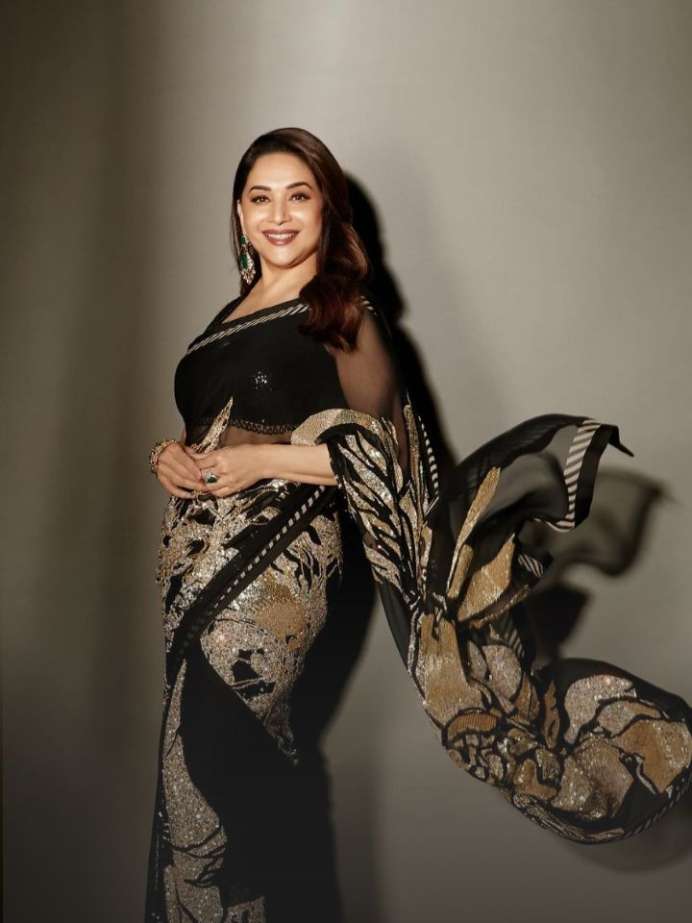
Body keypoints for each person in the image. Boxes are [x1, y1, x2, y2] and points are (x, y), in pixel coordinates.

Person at [145, 127, 692, 923]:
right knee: (205, 771)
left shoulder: (340, 315)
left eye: (299, 197)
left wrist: (259, 460)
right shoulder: (224, 320)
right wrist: (172, 455)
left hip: (276, 576)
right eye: (260, 198)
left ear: (327, 213)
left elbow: (384, 457)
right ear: (238, 212)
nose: (278, 215)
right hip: (191, 575)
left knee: (211, 764)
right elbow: (212, 432)